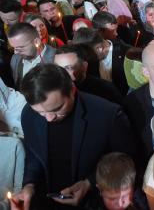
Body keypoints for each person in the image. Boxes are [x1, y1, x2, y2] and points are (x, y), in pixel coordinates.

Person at [10, 64, 137, 210]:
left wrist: (88, 183)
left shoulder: (108, 114)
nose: (49, 118)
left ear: (72, 90)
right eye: (41, 113)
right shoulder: (29, 114)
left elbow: (125, 160)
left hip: (93, 201)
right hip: (47, 200)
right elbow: (34, 155)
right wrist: (29, 185)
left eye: (57, 109)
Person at [54, 44, 124, 105]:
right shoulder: (52, 90)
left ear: (84, 66)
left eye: (68, 68)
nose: (61, 72)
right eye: (58, 67)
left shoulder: (106, 90)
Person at [72, 28, 130, 96]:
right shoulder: (87, 61)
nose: (85, 59)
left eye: (87, 55)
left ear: (99, 49)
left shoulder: (127, 54)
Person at [8, 23, 56, 88]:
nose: (15, 52)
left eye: (20, 47)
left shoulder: (56, 59)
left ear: (37, 42)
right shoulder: (15, 59)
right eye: (13, 48)